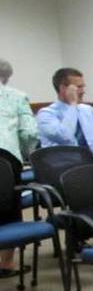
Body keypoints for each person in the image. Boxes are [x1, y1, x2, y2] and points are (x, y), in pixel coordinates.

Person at [0, 58, 39, 277]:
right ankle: (6, 264)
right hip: (5, 156)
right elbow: (29, 133)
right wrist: (25, 154)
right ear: (6, 77)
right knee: (8, 208)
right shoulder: (16, 96)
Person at [35, 67, 93, 159]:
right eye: (78, 87)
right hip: (63, 166)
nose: (83, 91)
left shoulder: (88, 110)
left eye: (83, 87)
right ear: (63, 88)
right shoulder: (46, 114)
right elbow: (66, 137)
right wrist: (72, 104)